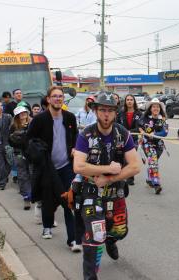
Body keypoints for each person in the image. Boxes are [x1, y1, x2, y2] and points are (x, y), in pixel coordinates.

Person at [73, 92, 141, 280]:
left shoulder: (123, 133)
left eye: (110, 111)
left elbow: (135, 166)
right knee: (95, 236)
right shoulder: (86, 134)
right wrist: (106, 169)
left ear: (114, 113)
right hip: (90, 191)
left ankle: (111, 240)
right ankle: (90, 276)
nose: (106, 114)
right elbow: (78, 166)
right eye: (102, 110)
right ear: (95, 111)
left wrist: (109, 178)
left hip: (115, 191)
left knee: (120, 230)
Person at [26, 86, 78, 246]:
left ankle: (73, 239)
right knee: (48, 200)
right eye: (54, 96)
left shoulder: (70, 118)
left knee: (70, 200)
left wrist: (75, 148)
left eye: (60, 96)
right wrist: (38, 156)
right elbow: (29, 142)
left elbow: (75, 135)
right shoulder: (39, 120)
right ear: (48, 99)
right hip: (47, 168)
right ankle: (47, 226)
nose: (58, 99)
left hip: (66, 167)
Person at [138, 98, 168, 194]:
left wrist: (155, 134)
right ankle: (156, 183)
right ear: (150, 108)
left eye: (157, 107)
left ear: (160, 108)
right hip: (148, 144)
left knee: (153, 162)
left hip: (159, 145)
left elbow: (165, 132)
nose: (156, 108)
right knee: (153, 161)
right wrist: (142, 131)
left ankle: (149, 178)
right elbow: (139, 125)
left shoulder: (162, 119)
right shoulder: (145, 117)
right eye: (154, 106)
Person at [9, 106, 32, 210]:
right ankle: (26, 198)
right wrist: (17, 135)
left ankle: (35, 195)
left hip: (32, 154)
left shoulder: (33, 124)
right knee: (22, 176)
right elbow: (10, 141)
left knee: (32, 174)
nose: (23, 115)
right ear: (17, 116)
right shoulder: (13, 126)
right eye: (21, 114)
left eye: (24, 113)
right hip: (19, 153)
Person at [116, 93, 142, 186]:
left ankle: (130, 177)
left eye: (131, 100)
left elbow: (140, 127)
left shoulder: (139, 113)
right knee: (122, 158)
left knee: (130, 158)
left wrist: (128, 131)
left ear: (134, 101)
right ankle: (122, 175)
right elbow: (117, 125)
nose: (129, 101)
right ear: (125, 102)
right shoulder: (121, 113)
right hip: (122, 139)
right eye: (128, 100)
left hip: (133, 139)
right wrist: (123, 132)